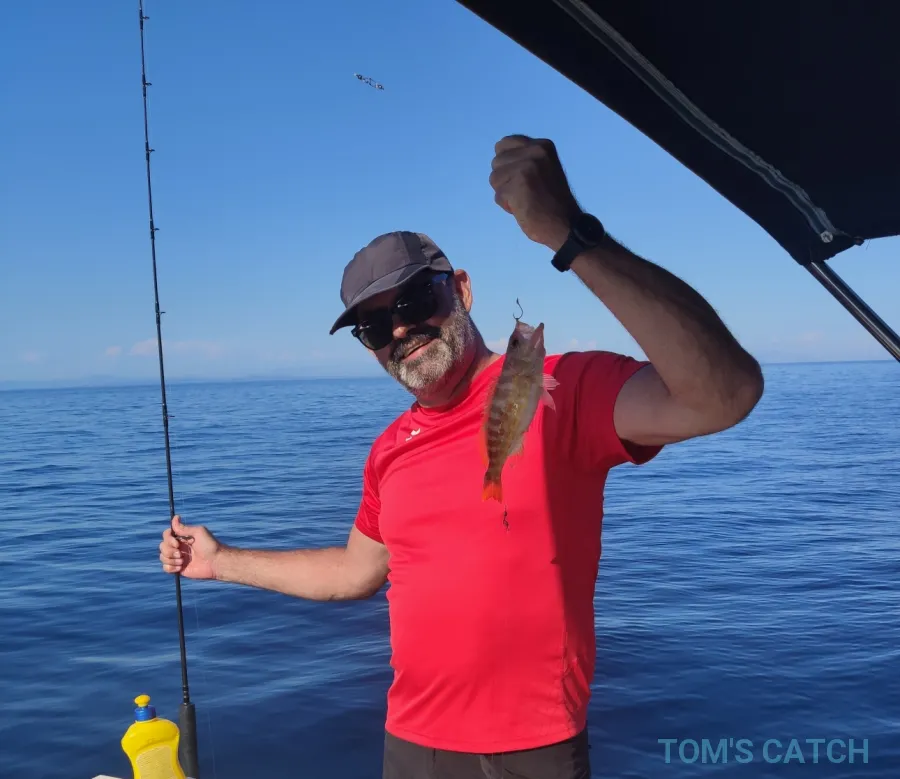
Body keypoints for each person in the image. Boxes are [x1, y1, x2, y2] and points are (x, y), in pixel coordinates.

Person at [159, 135, 764, 778]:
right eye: (374, 326)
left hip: (534, 750)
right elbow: (355, 572)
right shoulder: (388, 452)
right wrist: (223, 562)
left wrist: (571, 235)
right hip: (410, 745)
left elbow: (724, 395)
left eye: (415, 301)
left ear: (463, 290)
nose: (399, 330)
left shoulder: (562, 388)